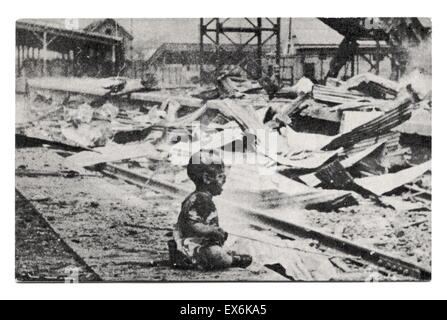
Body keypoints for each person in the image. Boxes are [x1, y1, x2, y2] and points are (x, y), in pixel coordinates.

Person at [168, 150, 252, 271]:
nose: (224, 180)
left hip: (197, 243)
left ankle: (229, 256)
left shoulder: (200, 198)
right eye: (220, 176)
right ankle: (233, 260)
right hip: (191, 246)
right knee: (216, 254)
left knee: (220, 249)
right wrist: (212, 231)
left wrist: (216, 232)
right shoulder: (201, 200)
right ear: (207, 178)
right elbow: (194, 225)